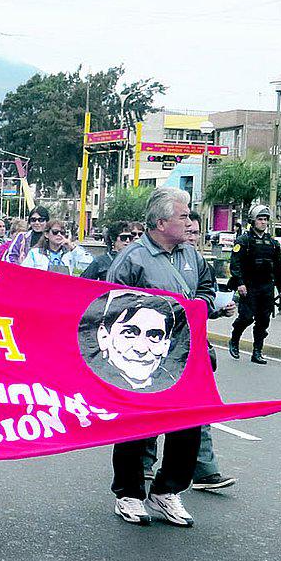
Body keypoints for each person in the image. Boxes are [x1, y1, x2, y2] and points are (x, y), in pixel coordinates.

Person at [105, 187, 233, 528]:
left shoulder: (192, 256)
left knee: (188, 424)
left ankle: (168, 490)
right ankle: (129, 494)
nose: (190, 222)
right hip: (143, 357)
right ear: (161, 222)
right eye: (184, 216)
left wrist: (200, 306)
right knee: (137, 423)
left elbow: (207, 290)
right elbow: (111, 304)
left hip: (187, 355)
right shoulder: (132, 259)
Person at [228, 204, 281, 364]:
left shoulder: (273, 244)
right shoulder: (243, 241)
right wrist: (240, 283)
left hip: (266, 287)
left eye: (265, 219)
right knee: (246, 317)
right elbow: (235, 264)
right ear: (252, 221)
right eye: (260, 219)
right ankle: (234, 340)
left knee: (263, 320)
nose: (263, 222)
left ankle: (257, 352)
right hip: (248, 287)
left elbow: (279, 267)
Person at [21, 222, 93, 275]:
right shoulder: (35, 253)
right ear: (46, 234)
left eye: (62, 232)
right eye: (55, 232)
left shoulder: (70, 254)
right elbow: (24, 273)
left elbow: (89, 264)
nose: (59, 235)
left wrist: (72, 248)